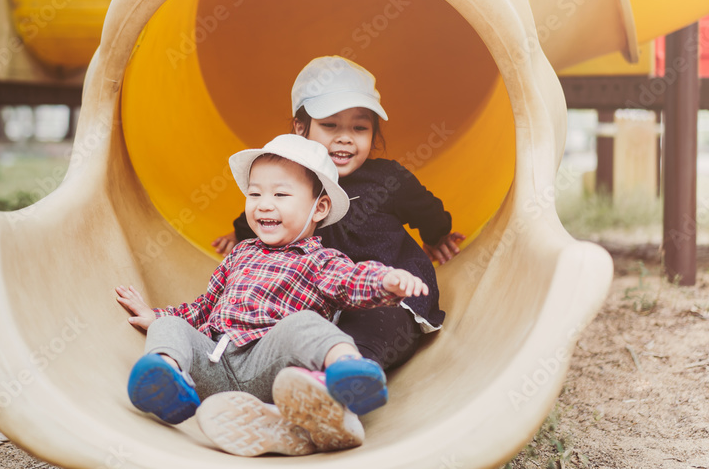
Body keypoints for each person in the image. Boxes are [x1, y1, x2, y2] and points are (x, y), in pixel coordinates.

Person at [116, 134, 429, 455]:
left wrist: (386, 280)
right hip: (215, 365)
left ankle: (346, 374)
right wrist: (158, 317)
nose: (264, 204)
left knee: (304, 324)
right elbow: (204, 307)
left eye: (281, 194)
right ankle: (167, 381)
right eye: (254, 194)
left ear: (319, 208)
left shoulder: (320, 260)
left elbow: (353, 280)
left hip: (273, 369)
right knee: (169, 329)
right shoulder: (240, 253)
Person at [213, 56, 465, 371]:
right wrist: (240, 232)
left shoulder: (388, 179)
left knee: (381, 326)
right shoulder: (292, 178)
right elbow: (268, 206)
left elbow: (427, 209)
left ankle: (352, 375)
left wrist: (437, 235)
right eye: (330, 125)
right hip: (312, 297)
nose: (344, 137)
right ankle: (281, 377)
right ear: (300, 128)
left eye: (359, 127)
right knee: (281, 324)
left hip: (384, 292)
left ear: (373, 133)